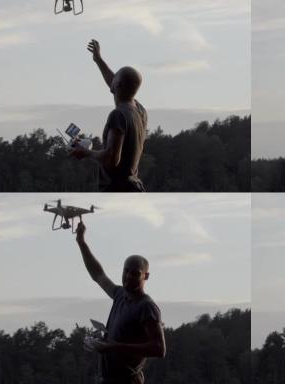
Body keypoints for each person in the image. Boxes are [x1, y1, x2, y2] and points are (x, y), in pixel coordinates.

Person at [75, 221, 166, 384]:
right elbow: (98, 275)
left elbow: (159, 349)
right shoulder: (119, 294)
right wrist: (81, 242)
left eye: (135, 273)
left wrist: (114, 347)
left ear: (146, 276)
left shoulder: (147, 307)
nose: (129, 276)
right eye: (126, 271)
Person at [71, 39, 148, 192]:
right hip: (134, 187)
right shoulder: (140, 111)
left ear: (117, 85)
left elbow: (112, 160)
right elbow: (121, 83)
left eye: (115, 78)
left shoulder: (118, 115)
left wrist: (85, 152)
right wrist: (98, 60)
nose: (111, 80)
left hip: (116, 191)